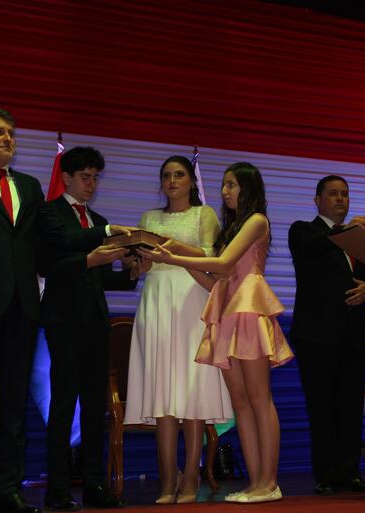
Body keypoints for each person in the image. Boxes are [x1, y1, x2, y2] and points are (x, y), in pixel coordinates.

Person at [0, 109, 129, 513]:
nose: (8, 139)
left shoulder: (29, 186)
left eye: (11, 133)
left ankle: (8, 491)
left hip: (22, 308)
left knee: (13, 405)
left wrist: (107, 236)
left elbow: (56, 239)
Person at [139, 162, 294, 504]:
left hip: (249, 308)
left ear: (248, 188)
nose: (225, 191)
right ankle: (255, 482)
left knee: (259, 398)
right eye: (224, 184)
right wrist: (177, 258)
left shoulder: (257, 221)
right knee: (240, 401)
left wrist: (175, 257)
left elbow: (222, 265)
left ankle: (269, 482)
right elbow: (216, 280)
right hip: (226, 311)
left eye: (231, 185)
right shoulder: (232, 229)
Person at [41, 146, 146, 511]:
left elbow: (102, 279)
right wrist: (92, 253)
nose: (91, 184)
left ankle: (94, 484)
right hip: (63, 320)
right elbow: (50, 264)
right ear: (66, 178)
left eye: (95, 178)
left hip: (96, 322)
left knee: (93, 406)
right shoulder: (49, 213)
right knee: (63, 404)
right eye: (85, 177)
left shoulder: (98, 220)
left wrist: (131, 272)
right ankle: (56, 488)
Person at [124, 156, 233, 504]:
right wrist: (136, 262)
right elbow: (140, 264)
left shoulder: (204, 214)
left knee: (192, 390)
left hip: (191, 298)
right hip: (156, 301)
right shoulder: (148, 218)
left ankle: (191, 475)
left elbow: (210, 256)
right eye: (167, 176)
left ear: (191, 181)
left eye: (179, 175)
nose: (172, 181)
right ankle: (167, 478)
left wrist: (169, 248)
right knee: (163, 392)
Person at [288, 175, 365, 496]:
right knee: (322, 407)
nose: (341, 199)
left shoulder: (357, 241)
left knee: (350, 407)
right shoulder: (304, 230)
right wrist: (346, 233)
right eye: (333, 194)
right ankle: (327, 475)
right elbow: (309, 249)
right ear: (318, 200)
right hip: (316, 336)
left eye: (345, 194)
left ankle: (350, 474)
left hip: (353, 335)